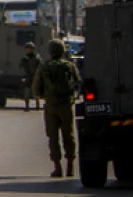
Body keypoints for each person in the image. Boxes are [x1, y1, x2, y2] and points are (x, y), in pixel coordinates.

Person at [33, 39, 82, 178]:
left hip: (51, 106)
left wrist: (44, 96)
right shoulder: (69, 66)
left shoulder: (44, 66)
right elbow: (78, 82)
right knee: (69, 136)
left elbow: (36, 87)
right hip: (66, 105)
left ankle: (57, 168)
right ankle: (70, 167)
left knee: (53, 137)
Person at [19, 42, 43, 112]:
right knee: (26, 92)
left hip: (35, 76)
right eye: (27, 49)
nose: (28, 50)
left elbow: (41, 65)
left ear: (32, 49)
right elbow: (20, 65)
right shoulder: (25, 57)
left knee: (35, 92)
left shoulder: (36, 57)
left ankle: (37, 106)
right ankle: (27, 106)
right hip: (28, 76)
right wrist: (23, 61)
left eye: (29, 49)